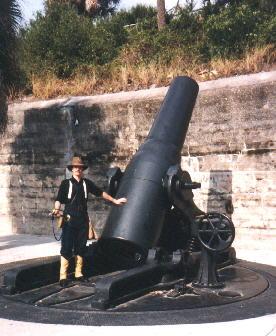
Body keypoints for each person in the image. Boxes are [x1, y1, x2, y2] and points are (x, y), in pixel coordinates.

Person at [53, 156, 127, 287]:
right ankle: (63, 276)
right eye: (76, 167)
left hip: (82, 219)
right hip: (69, 219)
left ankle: (78, 274)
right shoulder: (66, 184)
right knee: (66, 247)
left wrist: (115, 200)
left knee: (81, 247)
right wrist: (56, 209)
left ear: (83, 170)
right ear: (72, 169)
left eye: (80, 168)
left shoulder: (87, 183)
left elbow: (100, 193)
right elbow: (59, 199)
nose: (78, 169)